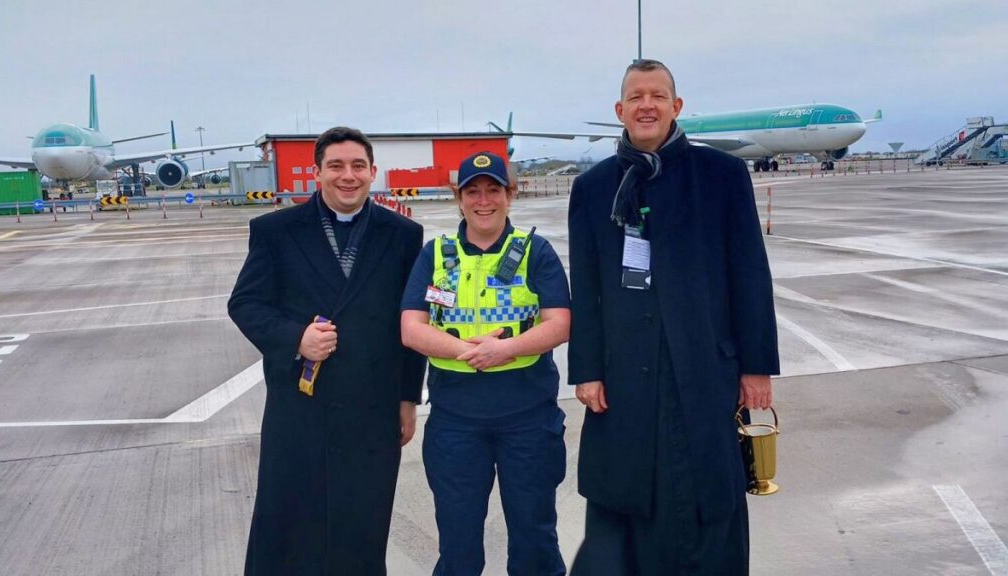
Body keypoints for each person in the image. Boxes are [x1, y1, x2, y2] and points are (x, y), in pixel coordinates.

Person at [567, 59, 780, 575]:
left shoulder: (721, 176)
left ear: (676, 106)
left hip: (705, 366)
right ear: (619, 110)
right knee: (628, 491)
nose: (647, 105)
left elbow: (749, 273)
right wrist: (587, 370)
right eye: (636, 97)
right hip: (625, 373)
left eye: (657, 96)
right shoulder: (593, 188)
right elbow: (587, 288)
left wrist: (756, 367)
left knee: (706, 489)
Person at [228, 126, 425, 575]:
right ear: (317, 172)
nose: (347, 176)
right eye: (336, 166)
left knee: (363, 523)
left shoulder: (402, 235)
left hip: (372, 407)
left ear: (373, 172)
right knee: (289, 525)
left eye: (358, 166)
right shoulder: (276, 231)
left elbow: (411, 321)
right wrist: (295, 337)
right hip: (300, 406)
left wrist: (408, 398)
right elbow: (245, 303)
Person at [400, 151, 571, 576]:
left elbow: (560, 322)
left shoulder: (535, 251)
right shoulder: (435, 255)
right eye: (472, 191)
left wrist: (505, 350)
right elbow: (411, 329)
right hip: (456, 422)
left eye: (493, 190)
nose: (483, 201)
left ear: (510, 194)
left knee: (535, 540)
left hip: (528, 419)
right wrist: (470, 351)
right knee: (458, 545)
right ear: (458, 198)